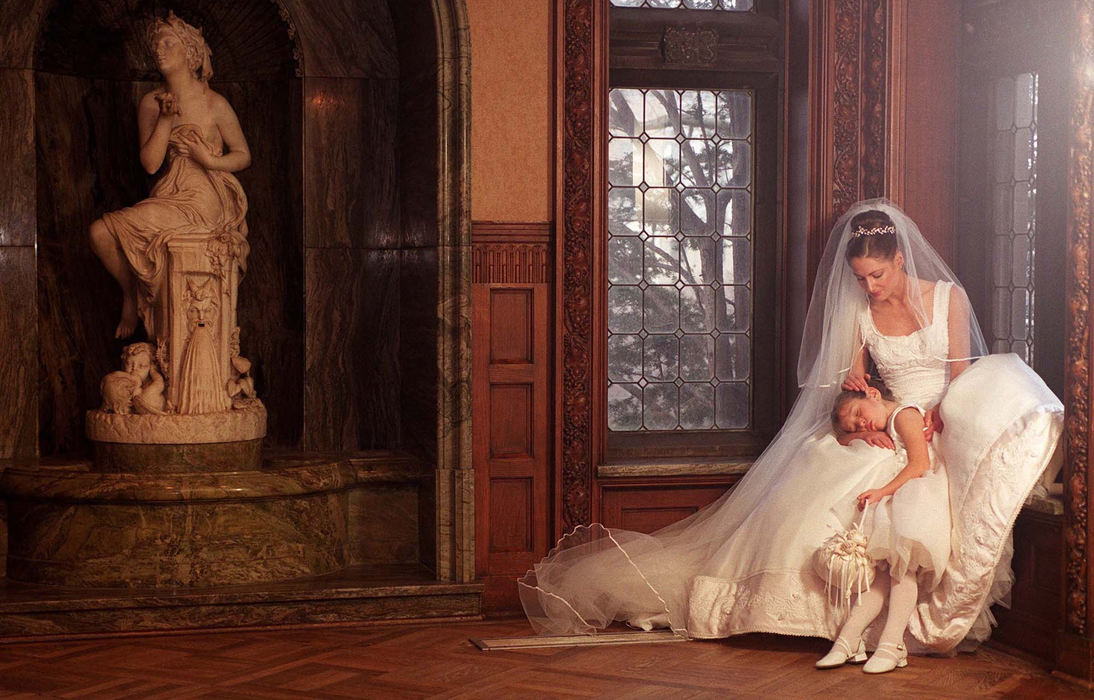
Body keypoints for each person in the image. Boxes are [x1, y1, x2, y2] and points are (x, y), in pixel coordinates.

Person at [519, 198, 1063, 660]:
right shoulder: (858, 313)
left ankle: (887, 629)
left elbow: (962, 379)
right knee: (821, 485)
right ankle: (825, 624)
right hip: (881, 422)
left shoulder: (948, 298)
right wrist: (856, 430)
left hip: (934, 423)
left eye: (877, 275)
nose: (869, 288)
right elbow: (849, 394)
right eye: (859, 279)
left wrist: (933, 422)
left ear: (900, 259)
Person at [88, 11, 251, 340]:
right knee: (100, 233)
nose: (159, 49)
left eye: (168, 42)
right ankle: (133, 294)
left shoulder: (214, 103)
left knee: (107, 231)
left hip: (206, 198)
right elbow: (149, 164)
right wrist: (165, 118)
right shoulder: (151, 102)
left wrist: (208, 159)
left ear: (190, 50)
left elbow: (243, 155)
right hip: (168, 192)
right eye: (156, 44)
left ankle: (146, 303)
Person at [818, 384, 950, 672]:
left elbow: (920, 464)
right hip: (896, 494)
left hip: (916, 490)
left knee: (902, 567)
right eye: (855, 425)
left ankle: (892, 644)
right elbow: (840, 438)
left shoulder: (904, 415)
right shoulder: (883, 420)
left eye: (858, 414)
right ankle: (848, 640)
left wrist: (881, 491)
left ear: (873, 394)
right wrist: (865, 434)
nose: (860, 423)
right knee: (881, 570)